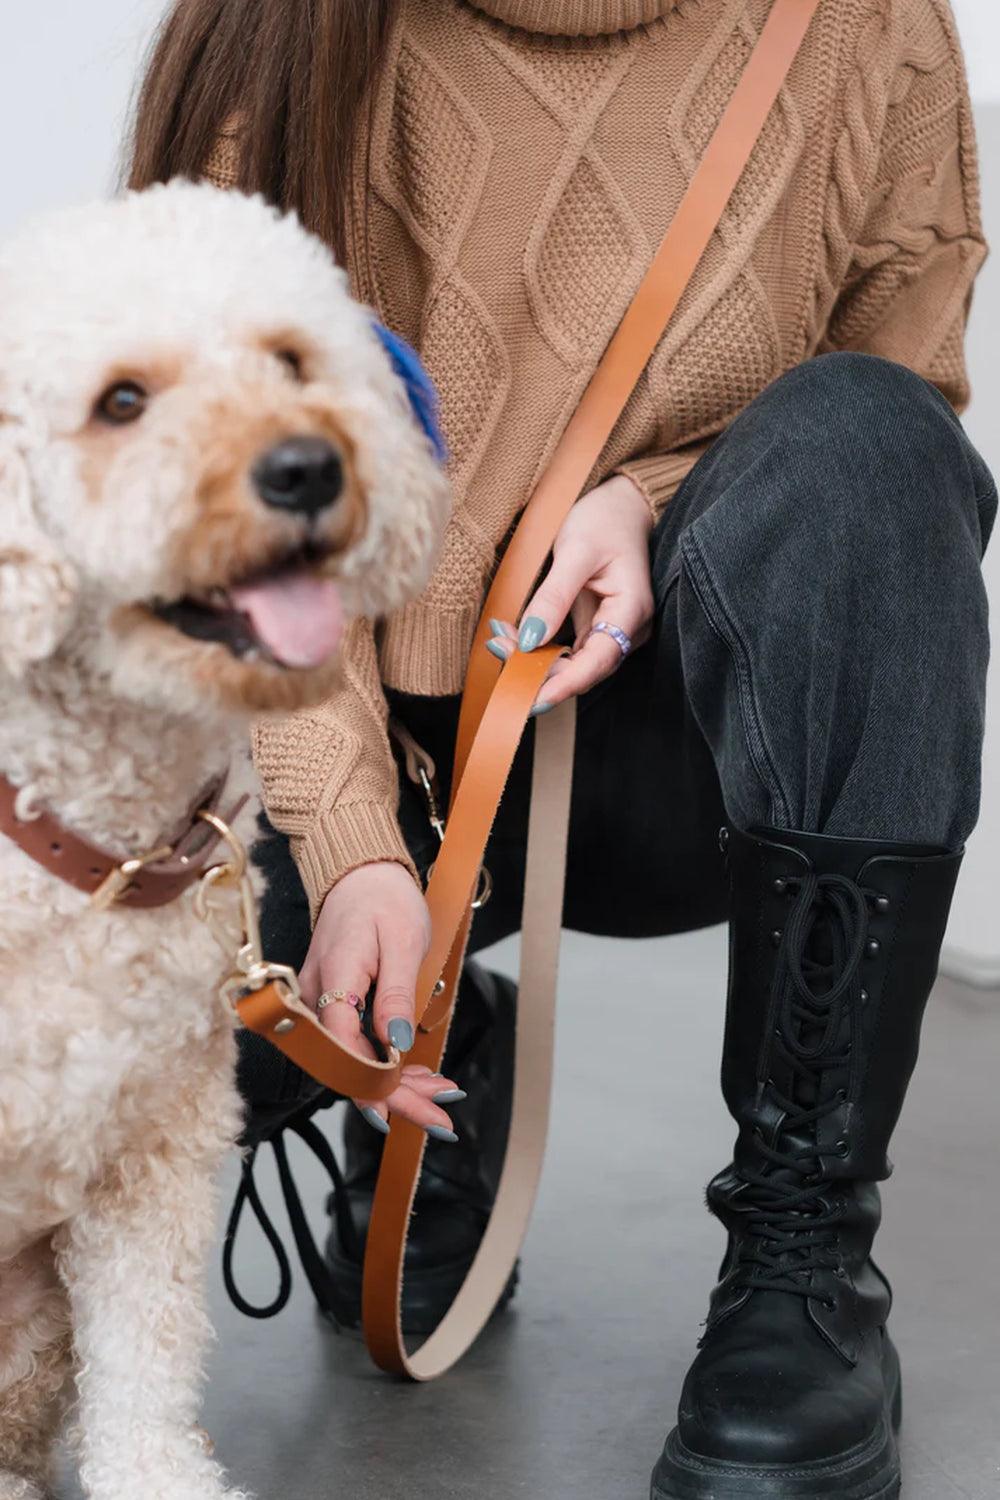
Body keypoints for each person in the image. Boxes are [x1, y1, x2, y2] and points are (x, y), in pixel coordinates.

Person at [129, 1, 995, 1495]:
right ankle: (442, 1048)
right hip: (359, 734)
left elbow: (899, 422)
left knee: (869, 437)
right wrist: (349, 851)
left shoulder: (860, 26)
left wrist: (644, 499)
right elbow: (221, 489)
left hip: (693, 743)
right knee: (127, 1060)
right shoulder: (284, 30)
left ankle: (804, 1259)